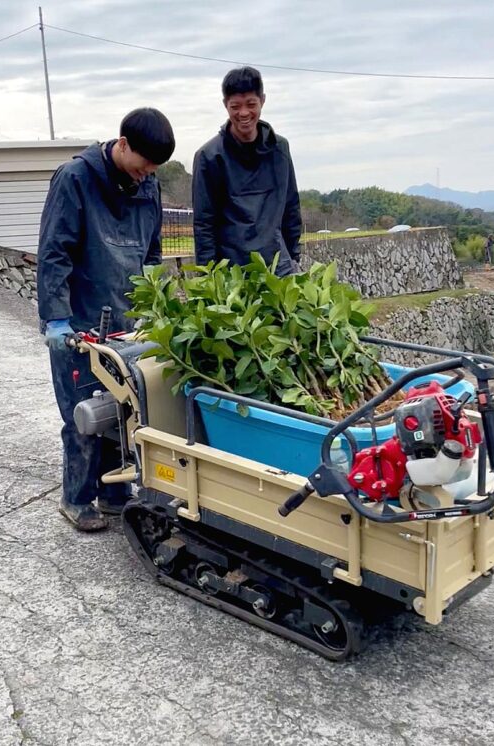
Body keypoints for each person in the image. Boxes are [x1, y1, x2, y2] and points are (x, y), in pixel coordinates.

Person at [37, 108, 175, 531]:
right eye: (143, 164)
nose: (146, 175)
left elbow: (150, 254)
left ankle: (114, 492)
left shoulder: (146, 185)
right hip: (79, 321)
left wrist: (154, 303)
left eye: (154, 170)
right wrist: (56, 319)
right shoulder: (74, 179)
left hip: (126, 318)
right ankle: (76, 499)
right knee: (83, 414)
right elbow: (54, 254)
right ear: (122, 144)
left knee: (124, 410)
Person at [192, 66, 302, 276]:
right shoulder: (209, 157)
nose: (244, 113)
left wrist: (294, 258)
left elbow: (291, 207)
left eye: (251, 104)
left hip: (279, 269)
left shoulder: (280, 150)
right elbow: (204, 225)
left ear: (263, 100)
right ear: (225, 105)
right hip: (233, 274)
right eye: (235, 106)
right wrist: (209, 277)